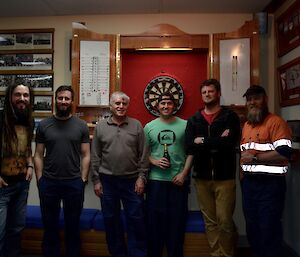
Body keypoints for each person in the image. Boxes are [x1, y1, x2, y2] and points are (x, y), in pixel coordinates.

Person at [185, 78, 241, 257]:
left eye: (210, 91)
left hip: (225, 178)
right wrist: (218, 140)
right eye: (204, 92)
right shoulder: (194, 119)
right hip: (202, 178)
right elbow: (189, 146)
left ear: (218, 93)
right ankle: (216, 254)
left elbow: (230, 143)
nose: (207, 94)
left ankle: (227, 253)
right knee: (210, 222)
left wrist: (203, 140)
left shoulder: (230, 116)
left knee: (224, 221)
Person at [34, 85, 90, 257]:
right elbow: (38, 154)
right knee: (49, 226)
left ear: (72, 101)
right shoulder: (44, 125)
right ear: (55, 100)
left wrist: (82, 180)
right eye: (60, 98)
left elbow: (86, 155)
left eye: (67, 98)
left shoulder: (81, 126)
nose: (63, 101)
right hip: (49, 182)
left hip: (73, 182)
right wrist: (40, 179)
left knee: (72, 226)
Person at [90, 91, 148, 257]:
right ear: (110, 106)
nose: (121, 106)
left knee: (136, 220)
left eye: (124, 104)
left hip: (132, 181)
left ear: (127, 106)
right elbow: (95, 156)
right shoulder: (101, 126)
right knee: (111, 220)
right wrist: (96, 181)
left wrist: (141, 178)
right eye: (117, 103)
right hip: (107, 182)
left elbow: (143, 154)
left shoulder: (136, 125)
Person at [240, 85, 292, 257]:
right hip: (249, 185)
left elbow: (284, 152)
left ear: (265, 99)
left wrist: (255, 158)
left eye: (256, 98)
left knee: (269, 229)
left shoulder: (276, 122)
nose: (252, 102)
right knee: (253, 229)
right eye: (249, 99)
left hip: (270, 186)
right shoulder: (247, 125)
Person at [144, 92, 193, 257]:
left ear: (175, 105)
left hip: (177, 181)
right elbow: (143, 154)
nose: (166, 106)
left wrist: (184, 174)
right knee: (154, 225)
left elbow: (191, 152)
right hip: (155, 182)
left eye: (169, 103)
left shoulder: (186, 125)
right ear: (157, 106)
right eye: (162, 103)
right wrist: (154, 161)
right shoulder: (149, 127)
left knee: (176, 225)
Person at [0, 83, 34, 257]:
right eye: (18, 94)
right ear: (10, 97)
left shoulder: (29, 119)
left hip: (22, 185)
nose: (22, 99)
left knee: (16, 230)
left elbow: (27, 146)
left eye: (26, 95)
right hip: (2, 187)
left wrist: (30, 165)